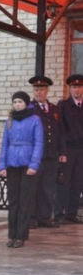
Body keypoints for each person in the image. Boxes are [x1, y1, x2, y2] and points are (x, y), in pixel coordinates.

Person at [0, 91, 44, 248]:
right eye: (15, 102)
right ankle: (11, 235)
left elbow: (39, 143)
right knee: (13, 201)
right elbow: (4, 144)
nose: (17, 104)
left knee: (25, 200)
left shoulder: (35, 119)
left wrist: (34, 165)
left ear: (26, 103)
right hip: (12, 163)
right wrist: (2, 165)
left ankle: (21, 236)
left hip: (27, 164)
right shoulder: (9, 120)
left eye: (20, 102)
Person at [29, 76, 66, 228]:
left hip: (51, 155)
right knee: (33, 187)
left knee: (48, 187)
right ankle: (31, 218)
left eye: (42, 89)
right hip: (36, 156)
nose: (39, 92)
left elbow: (60, 132)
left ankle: (44, 218)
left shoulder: (54, 109)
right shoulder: (29, 108)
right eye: (37, 89)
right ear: (34, 91)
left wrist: (62, 152)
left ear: (47, 90)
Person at [56, 74, 83, 225]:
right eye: (73, 87)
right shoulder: (63, 106)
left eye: (79, 87)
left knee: (78, 182)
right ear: (70, 89)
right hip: (68, 150)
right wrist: (62, 152)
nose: (76, 90)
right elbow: (60, 131)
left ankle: (72, 213)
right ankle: (59, 214)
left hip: (82, 150)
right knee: (63, 182)